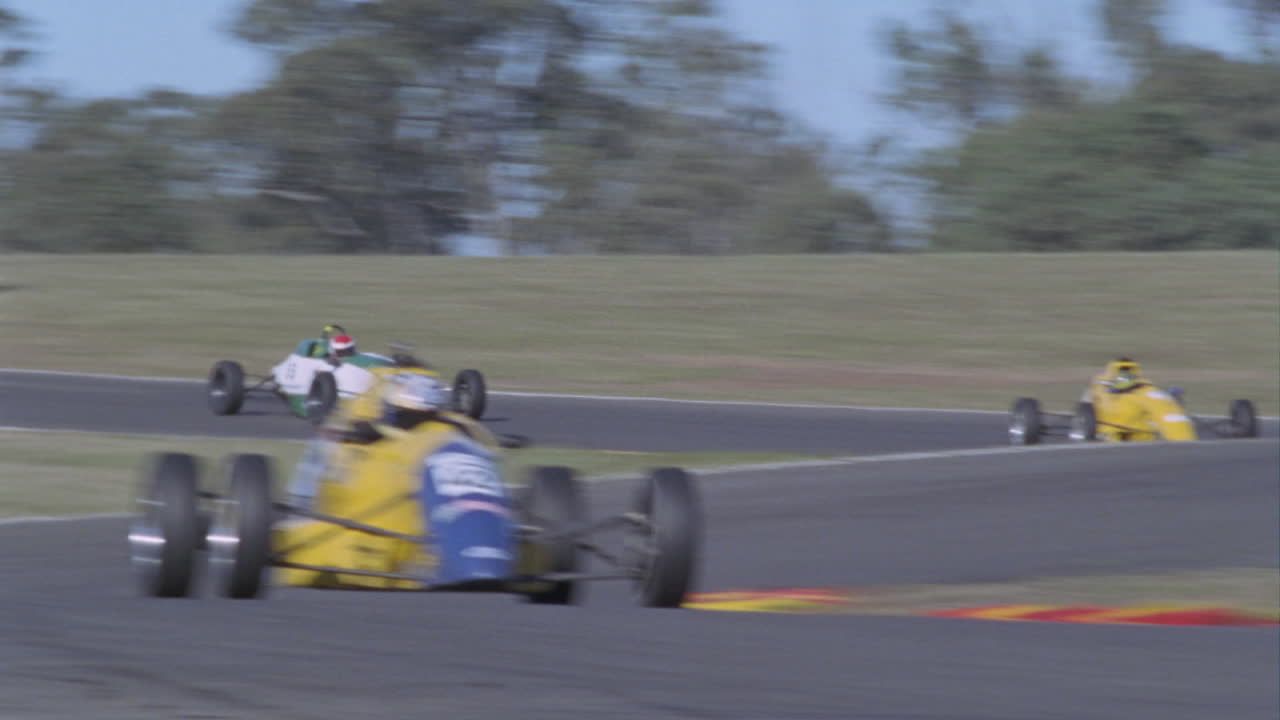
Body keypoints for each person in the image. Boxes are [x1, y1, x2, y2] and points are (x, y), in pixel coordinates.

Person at [287, 364, 449, 509]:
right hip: (360, 506)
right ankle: (301, 507)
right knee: (321, 446)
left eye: (426, 418)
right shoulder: (352, 435)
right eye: (410, 417)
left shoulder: (445, 437)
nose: (418, 422)